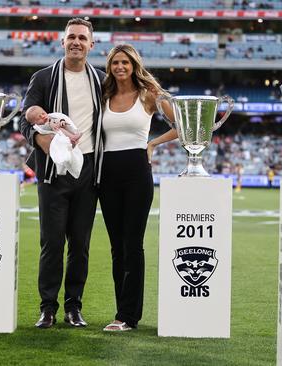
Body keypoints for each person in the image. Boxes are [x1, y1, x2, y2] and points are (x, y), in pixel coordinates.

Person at [19, 18, 105, 329]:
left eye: (83, 38)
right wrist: (38, 138)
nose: (76, 42)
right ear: (62, 42)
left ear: (91, 44)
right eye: (71, 37)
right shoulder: (43, 78)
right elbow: (23, 120)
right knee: (52, 243)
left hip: (89, 170)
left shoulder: (102, 81)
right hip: (53, 171)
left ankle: (74, 307)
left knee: (80, 244)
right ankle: (47, 308)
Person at [99, 44, 178, 332]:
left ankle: (128, 317)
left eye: (125, 62)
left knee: (132, 245)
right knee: (116, 248)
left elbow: (181, 125)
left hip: (136, 173)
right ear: (110, 67)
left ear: (134, 65)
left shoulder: (148, 94)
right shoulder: (104, 94)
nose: (120, 67)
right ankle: (122, 311)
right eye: (115, 62)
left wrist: (153, 143)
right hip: (106, 173)